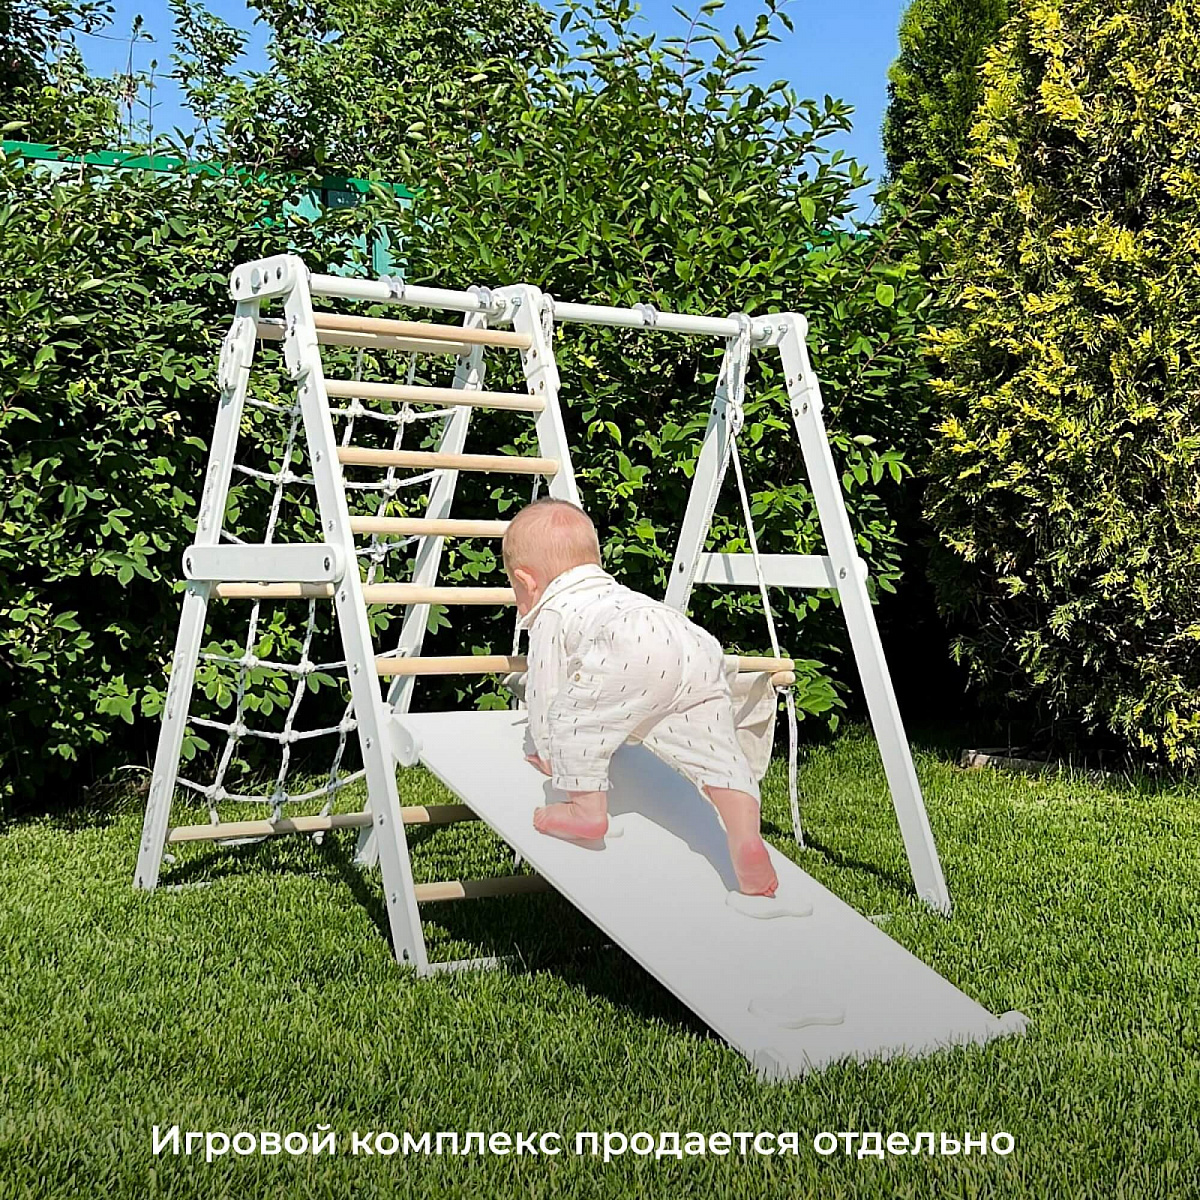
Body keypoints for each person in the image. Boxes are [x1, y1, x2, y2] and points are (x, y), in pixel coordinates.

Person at [502, 497, 778, 896]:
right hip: (691, 641)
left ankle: (585, 812)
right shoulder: (613, 593)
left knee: (570, 718)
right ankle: (745, 835)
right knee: (717, 750)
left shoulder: (554, 612)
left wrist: (549, 751)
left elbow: (545, 688)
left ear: (526, 582)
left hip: (630, 645)